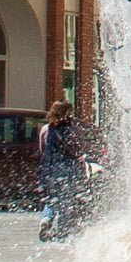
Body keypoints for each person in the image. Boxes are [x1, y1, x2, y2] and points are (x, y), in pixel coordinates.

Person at [38, 99, 86, 242]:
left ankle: (46, 218)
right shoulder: (73, 129)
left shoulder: (46, 129)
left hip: (49, 168)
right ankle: (62, 232)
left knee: (51, 198)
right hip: (67, 169)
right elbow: (79, 148)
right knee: (66, 201)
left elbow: (42, 149)